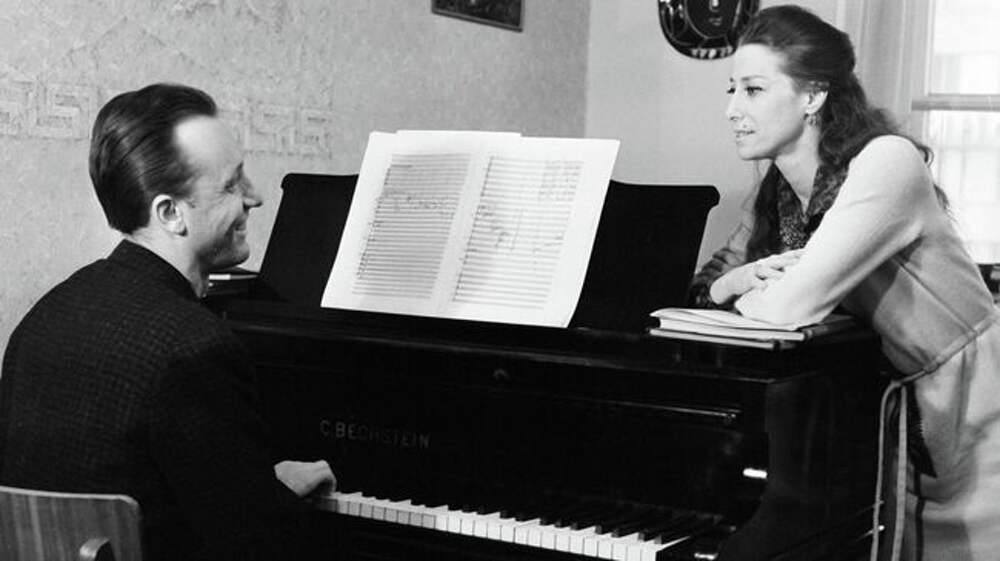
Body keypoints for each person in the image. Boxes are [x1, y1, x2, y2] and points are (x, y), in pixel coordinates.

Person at [689, 6, 1000, 561]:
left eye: (753, 90)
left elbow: (792, 305)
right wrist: (732, 282)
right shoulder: (776, 192)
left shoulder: (888, 161)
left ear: (812, 96)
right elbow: (702, 292)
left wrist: (752, 292)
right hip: (894, 414)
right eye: (732, 89)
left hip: (977, 407)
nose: (732, 109)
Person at [0, 83, 335, 561]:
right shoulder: (196, 348)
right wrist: (273, 499)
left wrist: (257, 485)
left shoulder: (45, 317)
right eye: (232, 184)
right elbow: (260, 545)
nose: (255, 197)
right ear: (170, 213)